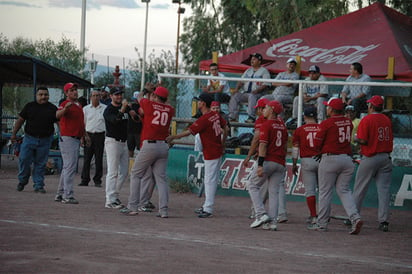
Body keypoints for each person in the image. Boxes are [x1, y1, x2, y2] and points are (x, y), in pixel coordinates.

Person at [167, 93, 228, 218]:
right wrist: (223, 143)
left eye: (199, 101)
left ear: (203, 103)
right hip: (216, 149)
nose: (198, 103)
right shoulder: (215, 115)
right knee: (212, 179)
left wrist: (173, 137)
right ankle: (207, 205)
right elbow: (225, 127)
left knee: (209, 180)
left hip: (211, 151)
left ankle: (208, 208)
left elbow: (189, 132)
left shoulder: (205, 118)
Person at [309, 98, 363, 234]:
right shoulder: (348, 122)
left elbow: (316, 144)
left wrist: (319, 152)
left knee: (325, 192)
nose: (327, 109)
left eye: (328, 107)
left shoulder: (327, 123)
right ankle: (355, 217)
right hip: (346, 159)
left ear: (332, 110)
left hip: (330, 158)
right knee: (344, 191)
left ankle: (322, 224)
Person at [121, 87, 175, 218]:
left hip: (150, 145)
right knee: (161, 179)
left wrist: (145, 90)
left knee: (135, 174)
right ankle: (163, 210)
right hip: (163, 146)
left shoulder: (149, 104)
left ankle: (132, 206)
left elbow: (139, 96)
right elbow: (162, 106)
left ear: (155, 96)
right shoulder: (170, 109)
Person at [353, 95, 393, 232]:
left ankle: (353, 217)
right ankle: (384, 221)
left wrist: (356, 138)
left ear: (371, 106)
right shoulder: (387, 119)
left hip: (370, 157)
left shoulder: (367, 119)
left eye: (369, 104)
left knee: (359, 189)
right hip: (386, 158)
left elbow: (363, 141)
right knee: (384, 191)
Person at [248, 100, 288, 231]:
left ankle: (260, 214)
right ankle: (273, 222)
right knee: (274, 192)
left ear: (271, 110)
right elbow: (285, 146)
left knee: (252, 185)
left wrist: (259, 164)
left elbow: (263, 145)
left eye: (265, 108)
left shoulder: (266, 124)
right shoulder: (283, 126)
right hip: (280, 162)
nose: (263, 110)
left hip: (268, 161)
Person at [12, 87, 58, 193]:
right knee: (24, 159)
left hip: (45, 140)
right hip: (29, 138)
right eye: (41, 94)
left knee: (40, 163)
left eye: (45, 94)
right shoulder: (29, 106)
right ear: (36, 95)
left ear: (48, 96)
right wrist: (14, 133)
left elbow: (59, 122)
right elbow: (20, 120)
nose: (43, 97)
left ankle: (38, 185)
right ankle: (22, 180)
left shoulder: (52, 108)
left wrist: (63, 135)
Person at [55, 83, 86, 204]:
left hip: (75, 137)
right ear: (66, 93)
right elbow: (57, 115)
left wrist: (84, 135)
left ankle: (60, 193)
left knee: (67, 167)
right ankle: (67, 195)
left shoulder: (78, 105)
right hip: (68, 137)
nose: (75, 92)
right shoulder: (65, 104)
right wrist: (65, 109)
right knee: (70, 167)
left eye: (75, 90)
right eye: (71, 90)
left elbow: (80, 123)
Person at [103, 87, 133, 209]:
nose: (119, 97)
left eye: (120, 94)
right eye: (116, 95)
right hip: (112, 142)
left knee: (124, 171)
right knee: (113, 172)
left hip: (123, 142)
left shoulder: (125, 107)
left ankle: (114, 195)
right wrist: (123, 109)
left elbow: (134, 117)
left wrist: (132, 111)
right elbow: (115, 120)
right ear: (111, 96)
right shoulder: (108, 109)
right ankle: (109, 200)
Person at [292, 106, 321, 224]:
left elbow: (295, 149)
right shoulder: (321, 127)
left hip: (307, 160)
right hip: (321, 159)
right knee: (324, 190)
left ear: (304, 116)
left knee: (310, 191)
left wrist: (294, 163)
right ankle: (324, 215)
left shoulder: (300, 130)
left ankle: (313, 216)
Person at [242, 98, 270, 219]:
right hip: (277, 158)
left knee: (253, 184)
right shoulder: (278, 121)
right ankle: (279, 214)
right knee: (272, 189)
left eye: (259, 108)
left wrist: (249, 155)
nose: (257, 111)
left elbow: (257, 139)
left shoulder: (261, 120)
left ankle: (258, 212)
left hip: (264, 158)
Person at [228, 53, 270, 123]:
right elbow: (241, 81)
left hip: (259, 94)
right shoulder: (248, 70)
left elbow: (266, 84)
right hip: (246, 93)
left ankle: (251, 117)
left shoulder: (264, 71)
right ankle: (232, 116)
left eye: (254, 59)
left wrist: (257, 90)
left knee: (252, 96)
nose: (252, 61)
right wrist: (236, 89)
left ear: (259, 61)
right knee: (235, 96)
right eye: (251, 59)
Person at [79, 90, 107, 187]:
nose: (95, 97)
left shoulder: (105, 108)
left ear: (100, 97)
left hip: (100, 135)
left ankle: (97, 180)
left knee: (99, 159)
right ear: (90, 97)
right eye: (94, 95)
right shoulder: (86, 109)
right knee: (87, 158)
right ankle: (85, 179)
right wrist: (83, 137)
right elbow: (83, 123)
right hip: (88, 135)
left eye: (97, 95)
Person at [127, 91, 143, 158]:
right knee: (130, 149)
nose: (136, 101)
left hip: (139, 131)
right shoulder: (130, 106)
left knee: (140, 149)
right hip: (131, 130)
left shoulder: (142, 107)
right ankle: (130, 164)